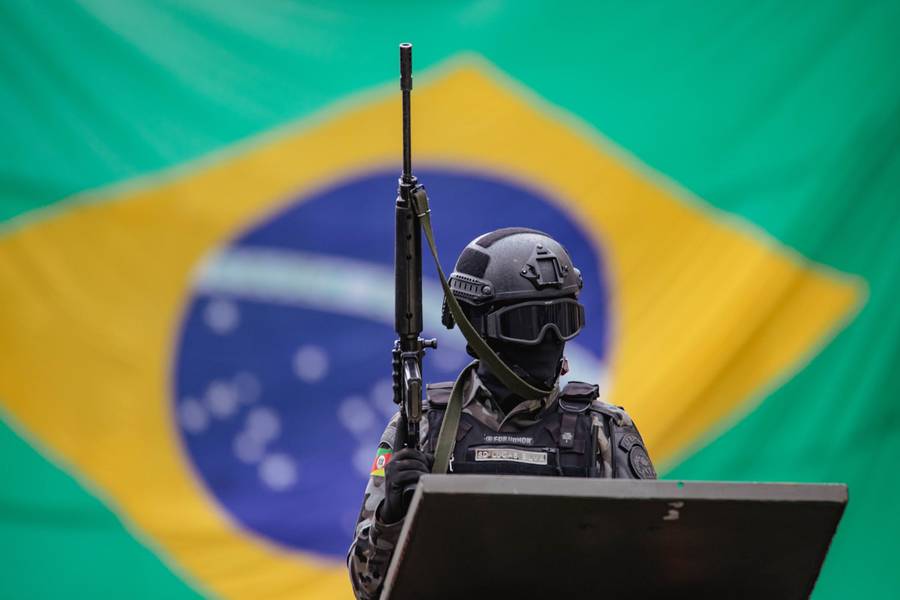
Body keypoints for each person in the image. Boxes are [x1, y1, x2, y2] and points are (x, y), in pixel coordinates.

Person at [347, 228, 656, 599]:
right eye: (528, 324)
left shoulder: (603, 430)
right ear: (479, 330)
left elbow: (653, 569)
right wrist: (392, 517)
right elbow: (367, 586)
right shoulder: (424, 427)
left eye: (563, 319)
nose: (549, 339)